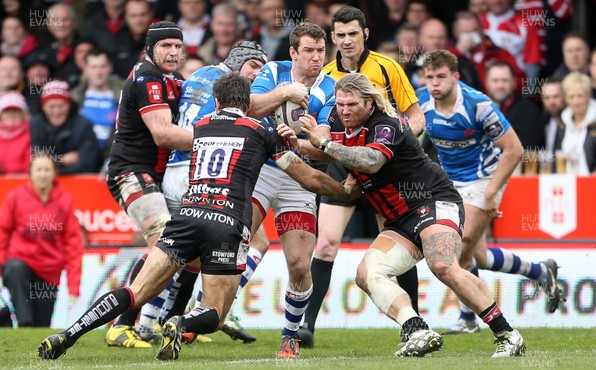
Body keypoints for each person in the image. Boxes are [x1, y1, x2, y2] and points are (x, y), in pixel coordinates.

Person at [37, 72, 361, 361]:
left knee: (136, 292)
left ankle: (67, 335)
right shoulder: (262, 132)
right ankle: (181, 321)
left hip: (187, 215)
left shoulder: (200, 127)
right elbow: (306, 177)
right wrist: (343, 192)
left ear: (216, 101)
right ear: (248, 103)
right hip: (227, 222)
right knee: (216, 313)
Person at [300, 72, 525, 358]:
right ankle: (417, 329)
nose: (344, 110)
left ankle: (508, 334)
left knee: (442, 265)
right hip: (400, 220)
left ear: (369, 102)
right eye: (340, 104)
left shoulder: (386, 123)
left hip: (433, 200)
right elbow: (324, 153)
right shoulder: (337, 120)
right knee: (367, 274)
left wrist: (325, 144)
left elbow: (371, 161)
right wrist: (287, 143)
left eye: (351, 104)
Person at [299, 6, 425, 348]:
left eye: (352, 33)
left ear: (365, 34)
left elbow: (416, 117)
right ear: (332, 38)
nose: (346, 40)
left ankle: (412, 323)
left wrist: (393, 147)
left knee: (395, 243)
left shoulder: (387, 67)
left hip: (384, 164)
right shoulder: (324, 74)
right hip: (342, 161)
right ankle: (305, 327)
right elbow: (320, 128)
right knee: (325, 242)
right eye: (339, 35)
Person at [416, 50, 562, 334]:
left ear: (456, 77)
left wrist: (491, 193)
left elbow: (515, 149)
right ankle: (541, 271)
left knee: (460, 247)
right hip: (449, 182)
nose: (435, 83)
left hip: (484, 178)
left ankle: (468, 319)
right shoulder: (420, 100)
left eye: (441, 77)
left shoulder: (478, 105)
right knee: (478, 257)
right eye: (430, 77)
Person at [159, 40, 268, 344]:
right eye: (253, 66)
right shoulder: (228, 89)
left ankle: (155, 321)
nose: (257, 75)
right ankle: (211, 308)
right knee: (256, 242)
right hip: (198, 170)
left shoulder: (200, 74)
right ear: (237, 62)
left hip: (176, 168)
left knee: (179, 253)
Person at [242, 22, 339, 358]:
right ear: (293, 53)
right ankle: (206, 312)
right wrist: (286, 92)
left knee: (300, 265)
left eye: (321, 51)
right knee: (236, 242)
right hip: (262, 169)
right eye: (309, 51)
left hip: (299, 175)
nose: (316, 58)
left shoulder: (332, 88)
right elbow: (250, 109)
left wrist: (301, 140)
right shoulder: (273, 71)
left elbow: (323, 145)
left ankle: (290, 335)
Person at [102, 21, 193, 349]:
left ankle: (174, 321)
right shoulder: (146, 77)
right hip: (130, 172)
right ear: (150, 49)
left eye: (178, 47)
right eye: (166, 46)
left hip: (156, 176)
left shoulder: (173, 80)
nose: (173, 52)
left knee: (187, 248)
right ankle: (119, 324)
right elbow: (163, 133)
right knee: (165, 244)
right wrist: (214, 140)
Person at [0, 153, 83, 327]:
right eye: (38, 169)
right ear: (30, 173)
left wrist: (74, 287)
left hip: (48, 274)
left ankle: (26, 325)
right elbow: (2, 234)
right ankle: (24, 322)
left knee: (41, 326)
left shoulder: (65, 201)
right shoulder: (15, 198)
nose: (42, 174)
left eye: (47, 169)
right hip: (19, 267)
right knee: (15, 268)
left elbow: (73, 245)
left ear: (54, 173)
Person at [29, 80, 101, 174]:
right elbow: (34, 158)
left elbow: (88, 164)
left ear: (69, 105)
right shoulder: (35, 124)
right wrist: (61, 159)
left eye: (61, 106)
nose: (57, 112)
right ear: (43, 107)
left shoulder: (84, 125)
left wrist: (50, 165)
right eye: (51, 106)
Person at [71, 48, 124, 164]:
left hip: (115, 156)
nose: (98, 71)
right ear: (85, 69)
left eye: (102, 66)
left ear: (110, 67)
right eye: (94, 67)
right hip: (83, 158)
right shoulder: (74, 98)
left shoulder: (125, 95)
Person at [485, 61, 545, 150]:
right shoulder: (480, 110)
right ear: (487, 83)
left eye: (505, 80)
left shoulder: (528, 110)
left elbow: (525, 148)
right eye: (495, 80)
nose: (500, 85)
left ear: (514, 83)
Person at [553, 72, 596, 175]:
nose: (576, 101)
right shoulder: (562, 124)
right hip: (565, 184)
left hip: (593, 184)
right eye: (571, 97)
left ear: (588, 96)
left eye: (580, 96)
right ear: (565, 99)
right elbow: (556, 155)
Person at [0, 92, 30, 174]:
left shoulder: (30, 134)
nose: (11, 113)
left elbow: (31, 166)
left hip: (21, 182)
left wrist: (4, 169)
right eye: (7, 110)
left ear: (23, 114)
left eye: (15, 110)